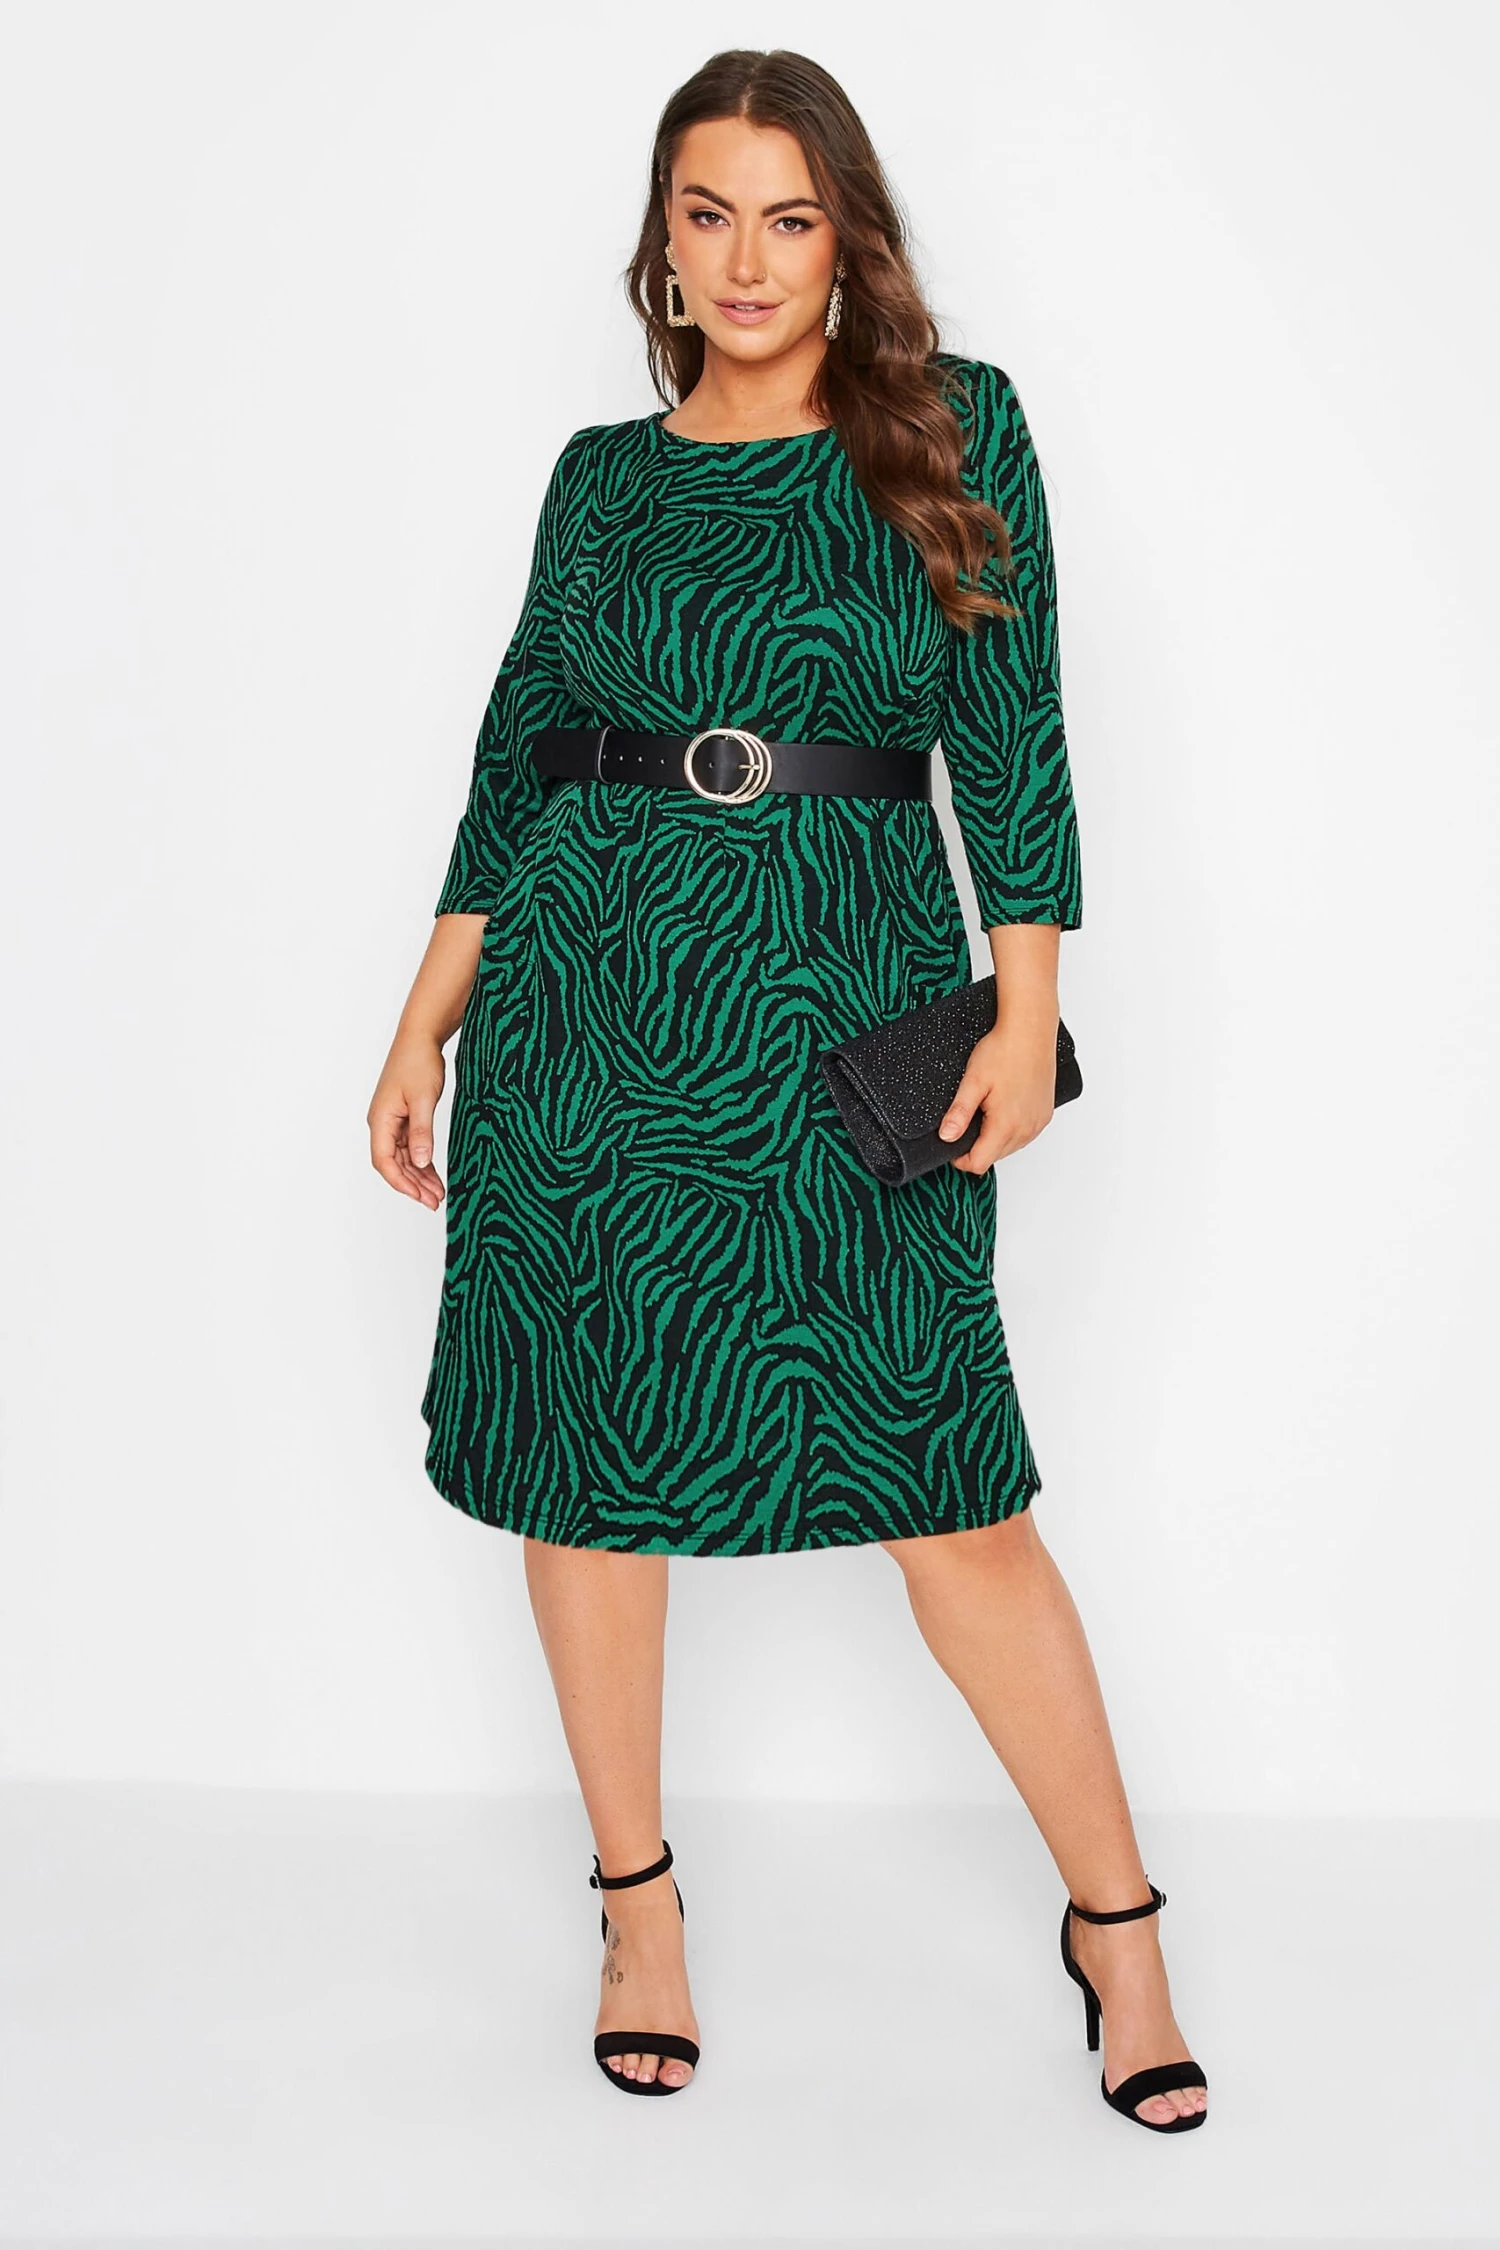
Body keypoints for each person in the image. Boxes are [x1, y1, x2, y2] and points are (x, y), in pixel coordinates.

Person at [368, 47, 1208, 2132]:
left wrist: (1026, 1003)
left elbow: (1012, 730)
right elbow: (517, 748)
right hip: (584, 1013)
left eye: (790, 216)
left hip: (843, 1010)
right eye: (708, 213)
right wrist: (426, 1013)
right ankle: (637, 1910)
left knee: (957, 1496)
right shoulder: (600, 477)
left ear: (849, 238)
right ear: (663, 237)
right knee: (585, 1468)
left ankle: (1120, 1929)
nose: (745, 259)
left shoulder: (951, 426)